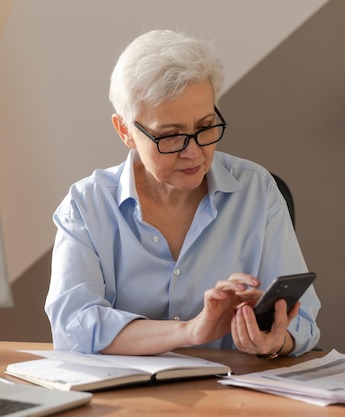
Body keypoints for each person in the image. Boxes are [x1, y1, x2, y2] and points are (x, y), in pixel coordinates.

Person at [45, 29, 320, 358]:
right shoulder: (86, 207)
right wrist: (190, 330)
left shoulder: (257, 191)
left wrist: (276, 340)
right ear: (125, 132)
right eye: (171, 136)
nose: (193, 153)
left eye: (205, 127)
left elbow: (301, 320)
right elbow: (73, 327)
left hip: (234, 397)